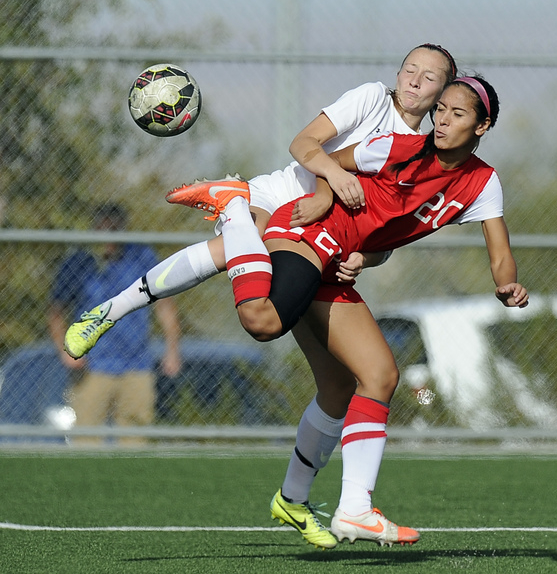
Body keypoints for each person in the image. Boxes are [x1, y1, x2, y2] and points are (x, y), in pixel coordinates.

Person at [63, 43, 457, 547]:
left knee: (339, 386)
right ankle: (217, 217)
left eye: (430, 77)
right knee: (256, 295)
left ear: (444, 93)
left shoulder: (424, 158)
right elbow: (306, 143)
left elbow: (384, 234)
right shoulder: (369, 99)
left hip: (328, 253)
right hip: (285, 208)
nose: (416, 80)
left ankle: (292, 500)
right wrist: (334, 175)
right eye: (410, 69)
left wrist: (368, 257)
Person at [165, 76, 529, 547]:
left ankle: (324, 504)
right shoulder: (399, 146)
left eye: (457, 115)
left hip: (336, 259)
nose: (442, 120)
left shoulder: (482, 182)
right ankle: (234, 208)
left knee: (365, 378)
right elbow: (326, 161)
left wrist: (507, 285)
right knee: (266, 322)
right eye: (440, 110)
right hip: (311, 234)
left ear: (484, 126)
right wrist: (321, 194)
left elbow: (498, 249)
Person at [48, 203, 181, 446]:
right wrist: (66, 351)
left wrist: (172, 349)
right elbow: (56, 312)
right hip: (93, 367)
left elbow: (165, 306)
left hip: (137, 365)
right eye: (102, 227)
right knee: (86, 442)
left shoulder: (142, 257)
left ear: (123, 228)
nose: (108, 233)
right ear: (94, 228)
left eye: (114, 227)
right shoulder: (79, 262)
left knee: (135, 443)